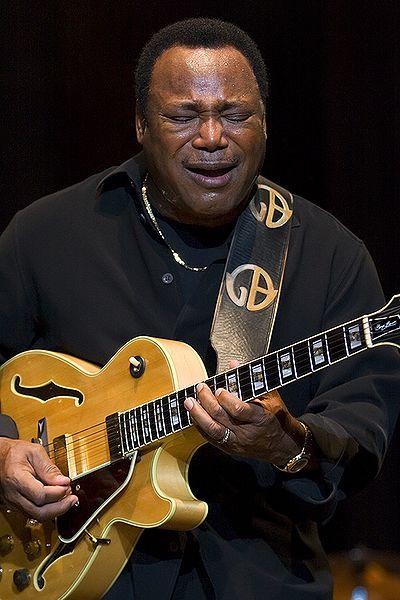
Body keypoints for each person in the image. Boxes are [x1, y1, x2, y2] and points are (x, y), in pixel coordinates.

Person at [0, 18, 399, 600]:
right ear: (140, 124)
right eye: (184, 116)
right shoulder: (45, 236)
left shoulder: (330, 255)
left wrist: (287, 444)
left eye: (235, 115)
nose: (212, 137)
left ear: (264, 123)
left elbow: (364, 427)